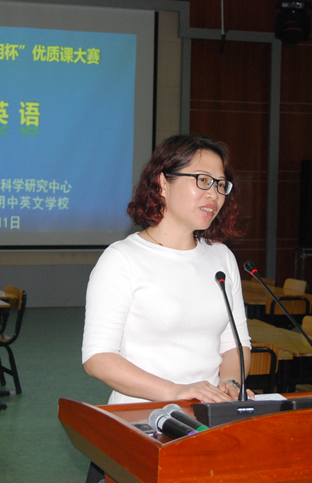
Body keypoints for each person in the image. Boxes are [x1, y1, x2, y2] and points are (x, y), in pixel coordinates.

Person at [82, 133, 252, 406]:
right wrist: (175, 391)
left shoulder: (221, 257)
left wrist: (231, 384)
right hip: (142, 414)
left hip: (209, 410)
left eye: (220, 184)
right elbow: (98, 358)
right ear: (163, 182)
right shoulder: (122, 259)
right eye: (203, 180)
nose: (214, 194)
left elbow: (235, 344)